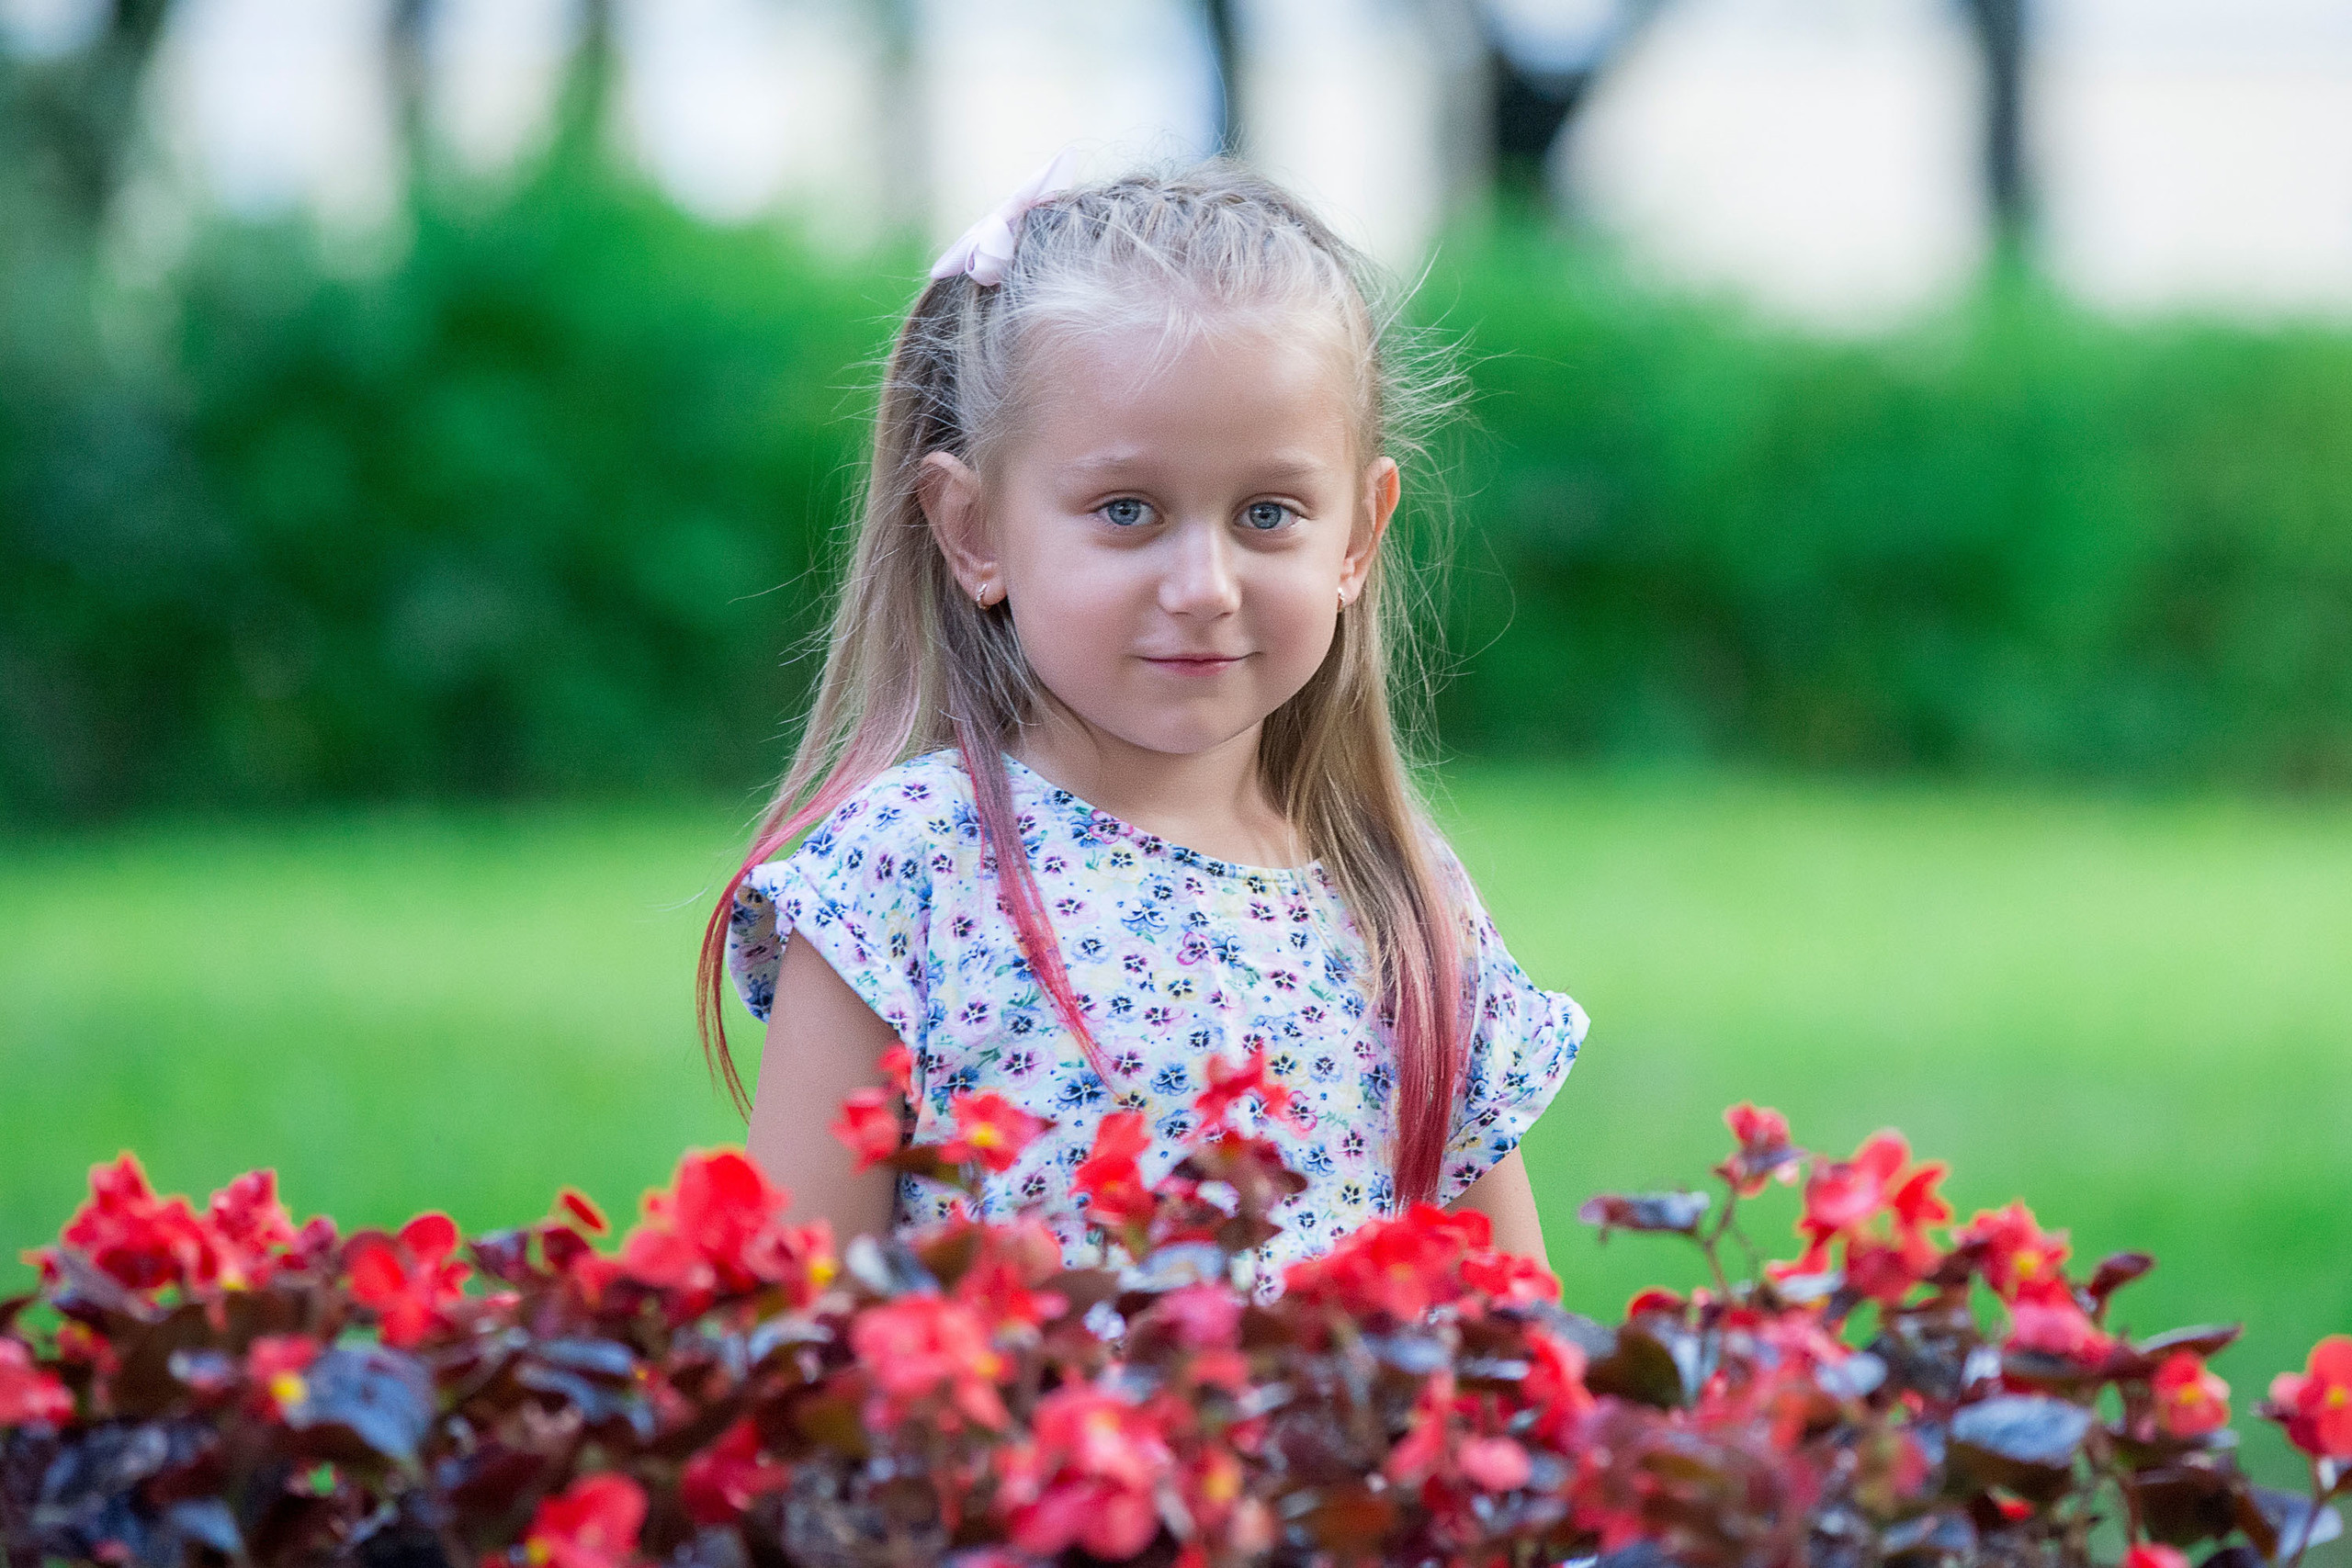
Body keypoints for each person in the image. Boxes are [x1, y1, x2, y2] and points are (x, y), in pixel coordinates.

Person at [696, 154, 1587, 1278]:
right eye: (1127, 510)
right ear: (972, 530)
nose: (1205, 583)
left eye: (1268, 513)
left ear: (1357, 536)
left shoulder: (1402, 900)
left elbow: (1512, 1332)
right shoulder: (901, 876)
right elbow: (787, 1317)